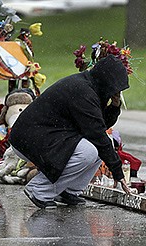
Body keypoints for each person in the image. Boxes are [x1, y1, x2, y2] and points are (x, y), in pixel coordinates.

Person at [9, 55, 130, 208]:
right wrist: (118, 172)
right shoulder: (83, 91)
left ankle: (68, 191)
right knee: (89, 152)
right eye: (115, 88)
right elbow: (96, 134)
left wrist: (114, 105)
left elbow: (100, 124)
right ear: (106, 82)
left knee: (102, 146)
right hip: (28, 139)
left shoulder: (90, 85)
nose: (116, 91)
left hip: (47, 135)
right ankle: (39, 190)